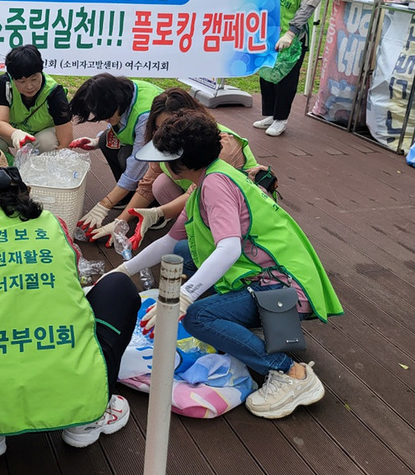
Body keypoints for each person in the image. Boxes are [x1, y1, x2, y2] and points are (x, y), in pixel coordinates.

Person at [112, 111, 342, 419]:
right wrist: (122, 271)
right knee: (185, 256)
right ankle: (250, 335)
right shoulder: (210, 177)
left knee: (198, 318)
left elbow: (229, 247)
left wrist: (185, 296)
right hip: (273, 277)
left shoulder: (215, 184)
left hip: (283, 288)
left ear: (181, 162)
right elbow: (169, 242)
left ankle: (290, 373)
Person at [0, 148, 140, 458]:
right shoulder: (53, 223)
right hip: (73, 386)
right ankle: (85, 421)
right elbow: (70, 271)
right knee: (120, 286)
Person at [90, 88, 268, 247]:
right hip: (198, 195)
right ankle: (192, 227)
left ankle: (199, 230)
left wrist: (157, 213)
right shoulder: (165, 141)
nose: (165, 134)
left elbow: (197, 193)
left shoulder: (221, 146)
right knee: (160, 184)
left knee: (183, 251)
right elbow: (148, 184)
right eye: (159, 128)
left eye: (172, 126)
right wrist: (121, 221)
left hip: (238, 209)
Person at [254, 0, 328, 137]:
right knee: (266, 71)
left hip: (293, 35)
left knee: (286, 76)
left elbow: (308, 6)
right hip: (269, 28)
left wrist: (291, 33)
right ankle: (269, 113)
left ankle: (281, 119)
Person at [68, 74, 162, 236]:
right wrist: (96, 141)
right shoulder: (122, 91)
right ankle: (127, 197)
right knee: (105, 140)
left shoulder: (145, 116)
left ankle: (156, 207)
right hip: (147, 145)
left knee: (130, 162)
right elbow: (122, 125)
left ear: (117, 103)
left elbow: (137, 166)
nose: (105, 120)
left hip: (169, 157)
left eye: (107, 116)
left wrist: (106, 204)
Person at [0, 44, 73, 154]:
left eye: (34, 79)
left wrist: (58, 162)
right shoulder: (4, 84)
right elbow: (0, 122)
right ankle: (6, 161)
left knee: (47, 143)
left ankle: (40, 166)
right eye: (22, 81)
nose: (29, 86)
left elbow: (66, 141)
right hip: (17, 133)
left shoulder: (54, 93)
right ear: (12, 77)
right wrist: (15, 133)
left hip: (42, 136)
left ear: (41, 72)